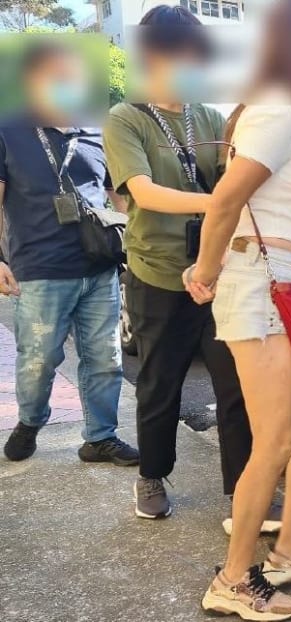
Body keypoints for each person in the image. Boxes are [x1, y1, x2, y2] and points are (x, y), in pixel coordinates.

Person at [154, 0, 291, 618]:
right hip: (261, 285)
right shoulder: (279, 108)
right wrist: (205, 272)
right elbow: (224, 201)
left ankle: (290, 545)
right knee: (275, 439)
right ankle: (234, 579)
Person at [102, 6, 275, 528]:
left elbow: (240, 176)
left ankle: (244, 492)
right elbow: (144, 194)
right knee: (160, 384)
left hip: (216, 271)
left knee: (235, 388)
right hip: (158, 273)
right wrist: (220, 204)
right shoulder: (125, 117)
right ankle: (151, 476)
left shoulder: (209, 116)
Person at [0, 41, 138, 466]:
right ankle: (30, 420)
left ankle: (99, 436)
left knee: (106, 359)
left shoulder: (96, 131)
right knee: (39, 360)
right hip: (40, 268)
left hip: (99, 267)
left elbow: (119, 196)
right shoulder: (9, 130)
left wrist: (133, 241)